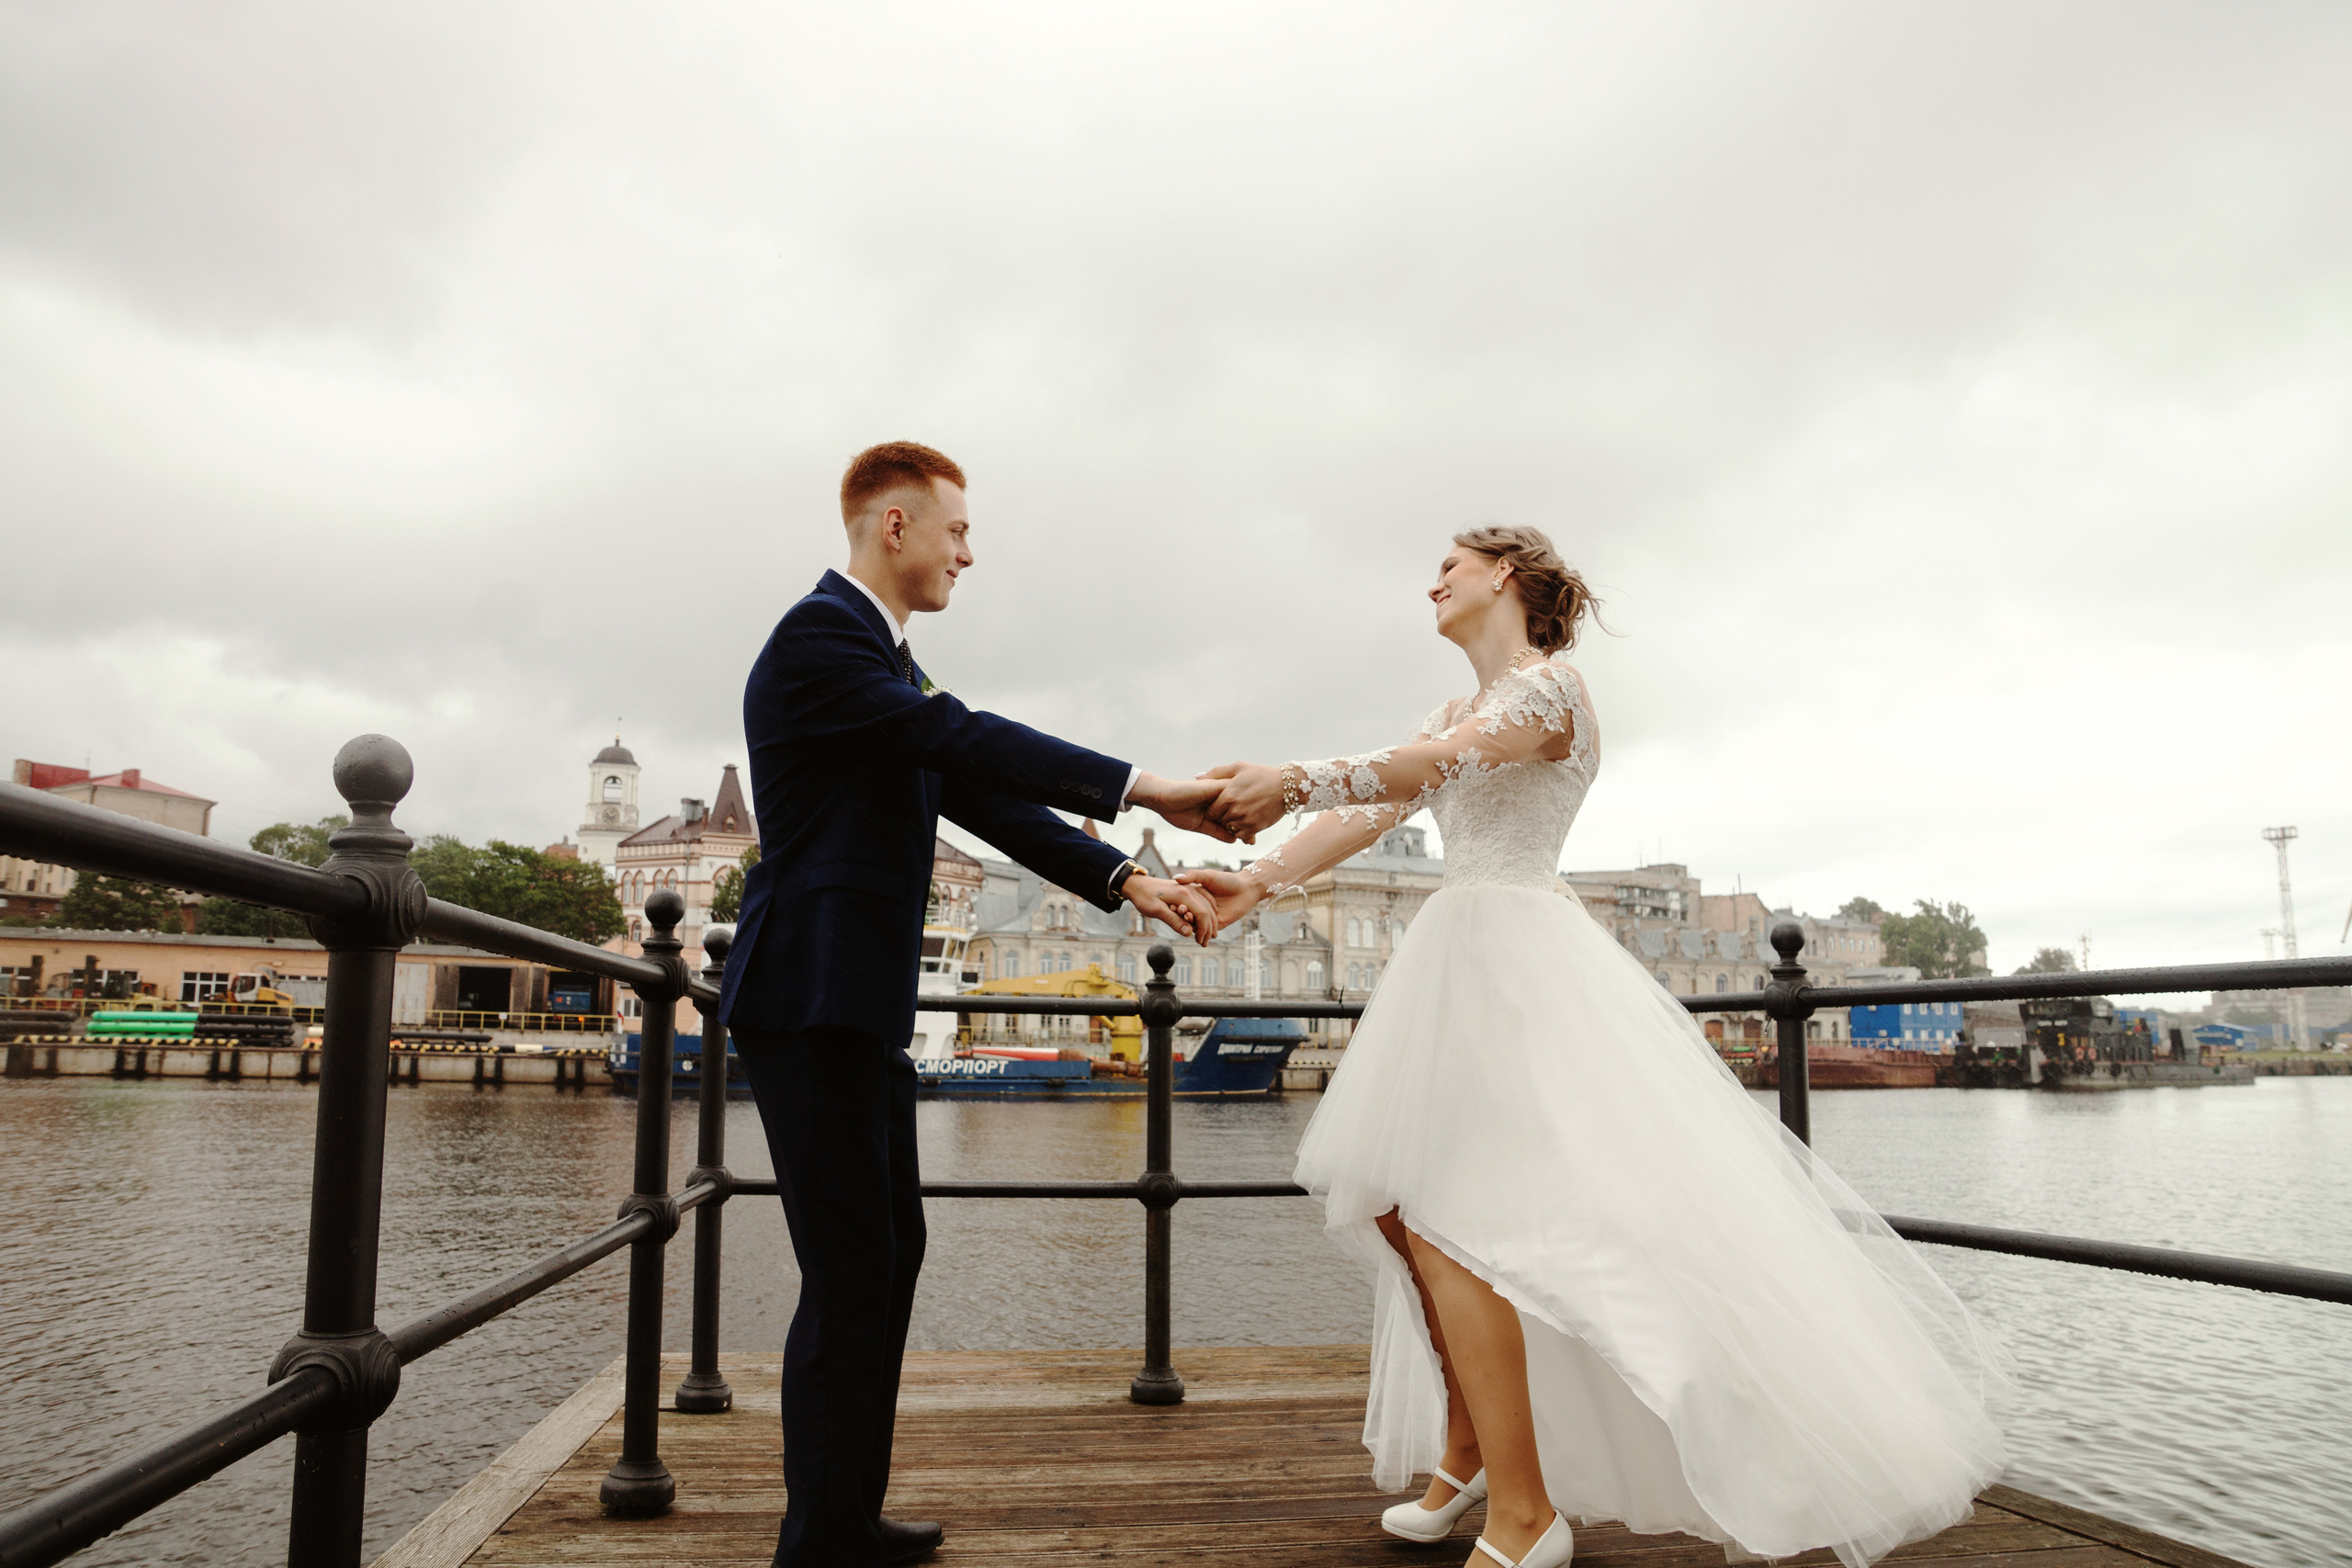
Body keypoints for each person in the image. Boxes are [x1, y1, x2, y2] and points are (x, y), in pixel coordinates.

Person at [1180, 526, 2009, 1568]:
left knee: (1456, 1217)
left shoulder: (1550, 692)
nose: (1431, 584)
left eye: (1449, 566)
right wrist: (1256, 883)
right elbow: (1384, 804)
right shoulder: (1450, 710)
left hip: (1520, 961)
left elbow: (1433, 766)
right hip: (1456, 958)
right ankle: (1469, 1450)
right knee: (1400, 1205)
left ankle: (1526, 1514)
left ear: (1506, 574)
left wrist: (1292, 778)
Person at [717, 441, 1231, 1568]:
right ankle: (817, 1543)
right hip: (807, 994)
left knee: (888, 1253)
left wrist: (1125, 876)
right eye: (957, 531)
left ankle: (846, 1517)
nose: (968, 554)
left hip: (852, 997)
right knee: (848, 1271)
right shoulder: (821, 639)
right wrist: (1144, 786)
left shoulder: (884, 664)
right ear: (894, 524)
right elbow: (962, 739)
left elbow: (974, 785)